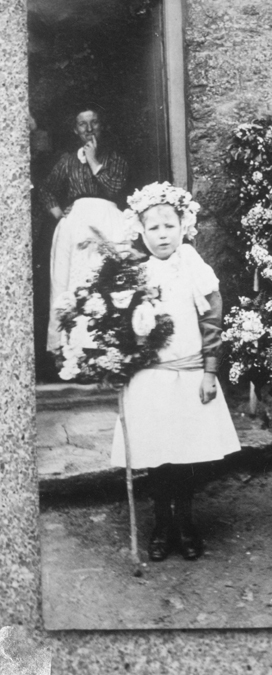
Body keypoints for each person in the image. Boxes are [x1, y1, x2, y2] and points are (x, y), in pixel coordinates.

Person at [111, 181, 241, 561]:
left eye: (169, 225)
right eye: (153, 227)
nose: (162, 234)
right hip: (150, 377)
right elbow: (120, 327)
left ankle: (185, 522)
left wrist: (209, 372)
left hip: (188, 372)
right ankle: (161, 523)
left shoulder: (194, 268)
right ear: (141, 231)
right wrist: (118, 361)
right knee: (158, 455)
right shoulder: (134, 273)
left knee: (186, 455)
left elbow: (212, 322)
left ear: (183, 226)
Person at [41, 104, 129, 353]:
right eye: (82, 124)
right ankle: (71, 352)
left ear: (103, 126)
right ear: (75, 129)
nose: (89, 129)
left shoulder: (116, 159)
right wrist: (58, 212)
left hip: (108, 223)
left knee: (104, 282)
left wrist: (93, 161)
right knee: (70, 284)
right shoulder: (67, 161)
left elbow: (114, 189)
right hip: (75, 226)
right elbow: (46, 189)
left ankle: (105, 352)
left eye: (95, 123)